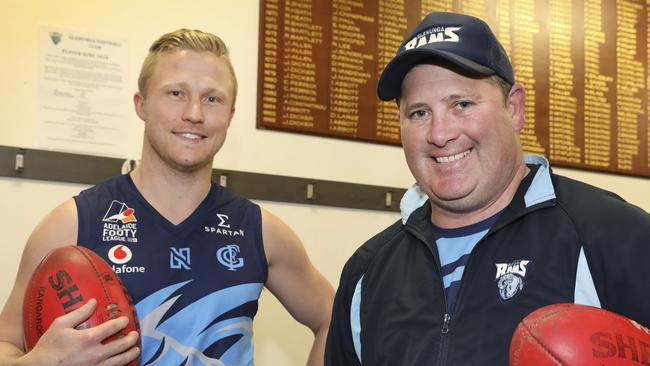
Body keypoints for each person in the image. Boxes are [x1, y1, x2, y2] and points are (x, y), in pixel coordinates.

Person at [325, 11, 650, 365]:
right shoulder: (366, 272)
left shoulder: (612, 236)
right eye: (419, 113)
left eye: (461, 105)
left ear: (514, 108)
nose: (440, 133)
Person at [0, 29, 334, 366]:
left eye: (212, 98)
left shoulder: (261, 231)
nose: (194, 113)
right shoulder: (71, 225)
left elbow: (331, 318)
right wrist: (39, 361)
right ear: (141, 104)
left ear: (230, 115)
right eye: (175, 93)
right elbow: (5, 344)